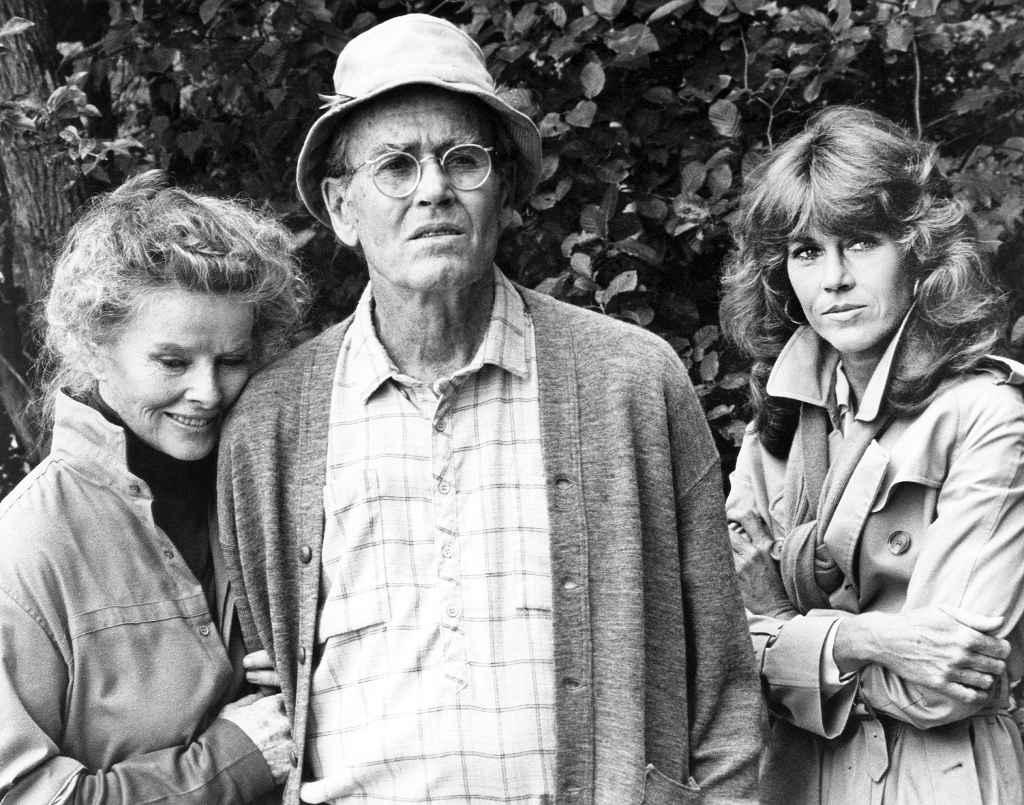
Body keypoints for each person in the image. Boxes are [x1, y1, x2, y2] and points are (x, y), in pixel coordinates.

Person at [217, 12, 761, 805]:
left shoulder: (630, 381)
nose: (433, 189)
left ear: (503, 190)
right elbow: (259, 678)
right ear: (340, 207)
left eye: (462, 160)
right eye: (395, 166)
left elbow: (724, 681)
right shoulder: (272, 423)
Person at [721, 105, 1024, 804]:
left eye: (860, 243)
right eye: (806, 251)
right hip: (795, 779)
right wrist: (870, 642)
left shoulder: (987, 415)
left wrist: (785, 635)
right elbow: (722, 653)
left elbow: (942, 687)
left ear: (919, 250)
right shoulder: (780, 419)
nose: (833, 278)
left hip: (942, 779)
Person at [0, 170, 308, 803]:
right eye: (173, 362)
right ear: (93, 348)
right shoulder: (23, 550)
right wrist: (231, 761)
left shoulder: (269, 492)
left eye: (232, 360)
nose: (208, 392)